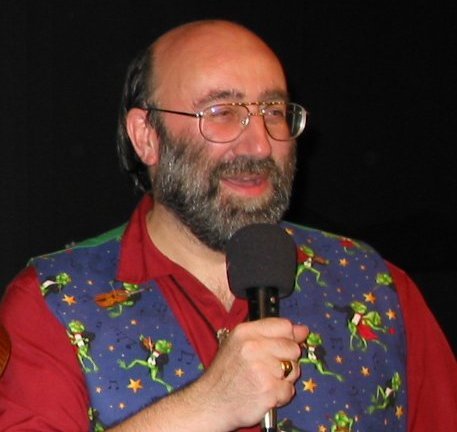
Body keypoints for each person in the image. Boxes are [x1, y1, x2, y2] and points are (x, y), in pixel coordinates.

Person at [0, 19, 455, 432]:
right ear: (146, 136)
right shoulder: (53, 301)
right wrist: (206, 406)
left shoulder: (373, 286)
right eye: (221, 113)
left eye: (273, 111)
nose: (259, 145)